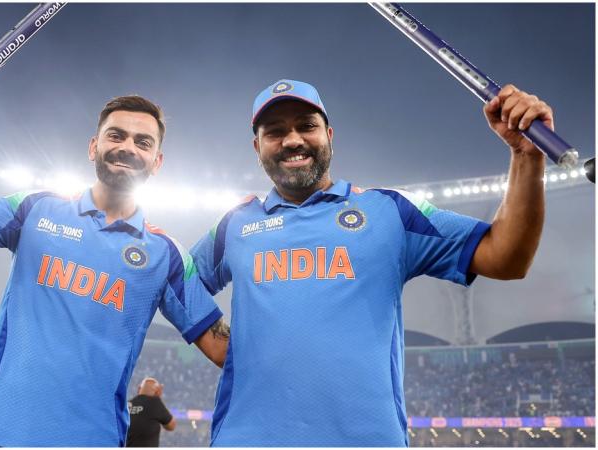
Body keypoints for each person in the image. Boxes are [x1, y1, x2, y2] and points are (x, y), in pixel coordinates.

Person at [190, 79, 551, 446]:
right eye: (275, 132)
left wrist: (526, 156)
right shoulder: (235, 224)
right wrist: (219, 341)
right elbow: (176, 281)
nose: (293, 140)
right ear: (257, 147)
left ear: (329, 135)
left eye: (307, 126)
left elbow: (506, 258)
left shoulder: (390, 210)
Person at [0, 78, 229, 447]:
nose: (127, 147)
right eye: (116, 136)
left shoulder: (166, 255)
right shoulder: (34, 208)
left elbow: (222, 349)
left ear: (157, 162)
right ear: (93, 147)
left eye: (143, 142)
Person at [126, 377, 176, 447]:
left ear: (139, 389)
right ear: (157, 392)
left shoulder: (127, 405)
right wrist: (158, 399)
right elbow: (171, 426)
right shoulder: (155, 402)